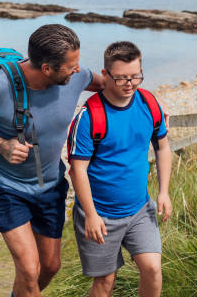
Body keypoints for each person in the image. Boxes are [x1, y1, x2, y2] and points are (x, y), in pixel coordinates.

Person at [0, 24, 107, 297]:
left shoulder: (76, 76)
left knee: (49, 266)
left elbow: (109, 85)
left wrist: (149, 104)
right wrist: (1, 145)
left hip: (49, 185)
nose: (78, 70)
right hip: (5, 186)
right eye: (70, 66)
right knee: (28, 267)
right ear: (46, 68)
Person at [67, 41, 172, 297]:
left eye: (136, 76)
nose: (130, 84)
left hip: (139, 209)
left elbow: (162, 147)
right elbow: (77, 170)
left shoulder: (149, 103)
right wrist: (90, 214)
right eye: (122, 78)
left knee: (152, 269)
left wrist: (164, 192)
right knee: (105, 282)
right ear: (105, 75)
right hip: (100, 214)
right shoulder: (89, 116)